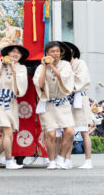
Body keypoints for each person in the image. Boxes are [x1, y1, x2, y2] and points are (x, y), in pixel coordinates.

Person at [0, 44, 29, 170]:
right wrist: (0, 65)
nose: (15, 54)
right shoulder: (0, 66)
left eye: (18, 53)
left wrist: (12, 69)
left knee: (8, 135)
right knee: (7, 132)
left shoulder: (22, 68)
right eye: (12, 52)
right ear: (7, 54)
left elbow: (21, 86)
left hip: (11, 102)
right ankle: (9, 160)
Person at [33, 41, 75, 169]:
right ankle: (51, 161)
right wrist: (45, 67)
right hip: (48, 104)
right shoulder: (41, 68)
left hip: (62, 103)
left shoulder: (65, 65)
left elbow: (65, 78)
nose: (55, 54)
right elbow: (39, 85)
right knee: (50, 134)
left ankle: (61, 158)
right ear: (47, 53)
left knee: (70, 132)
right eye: (52, 51)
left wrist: (52, 66)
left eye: (57, 51)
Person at [62, 42, 93, 169]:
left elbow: (83, 80)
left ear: (71, 51)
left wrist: (67, 81)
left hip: (79, 98)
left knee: (84, 131)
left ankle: (88, 160)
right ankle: (67, 159)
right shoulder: (62, 65)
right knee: (68, 132)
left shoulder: (80, 63)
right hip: (66, 100)